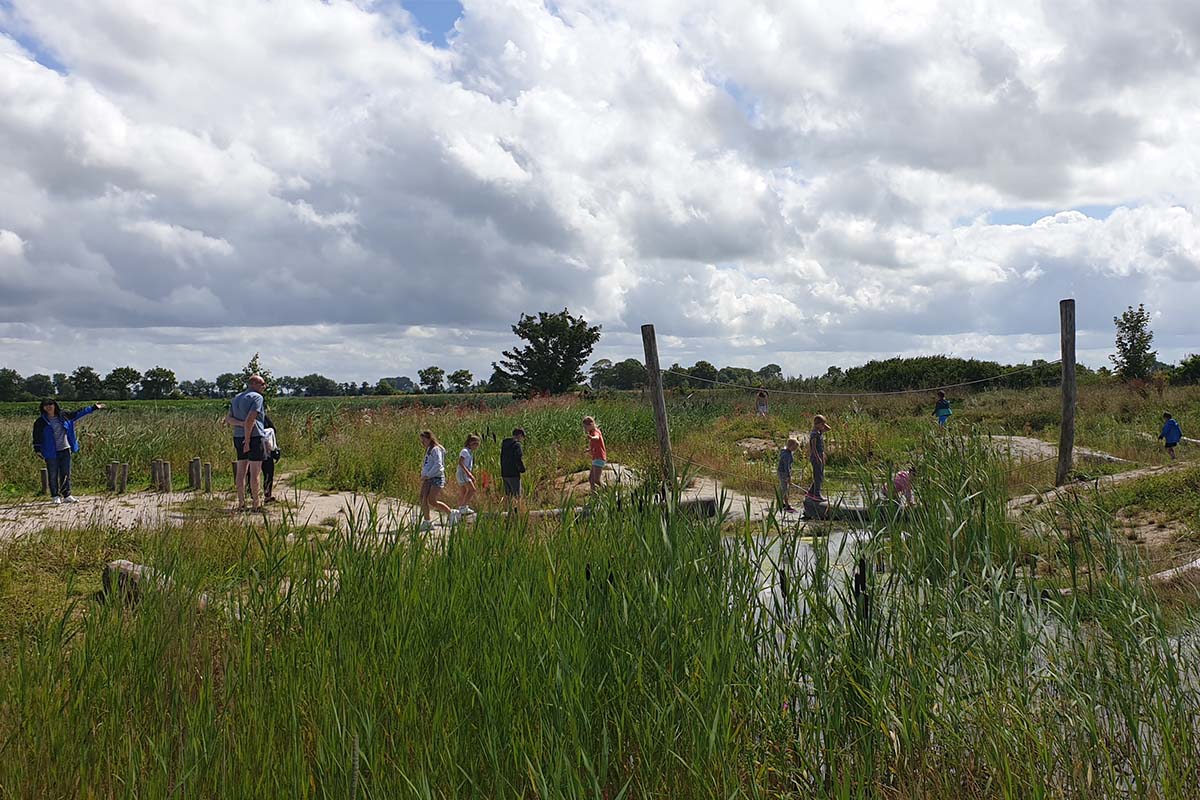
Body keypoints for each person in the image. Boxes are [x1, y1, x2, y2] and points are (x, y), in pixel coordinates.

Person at [32, 399, 106, 504]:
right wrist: (37, 449)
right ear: (43, 407)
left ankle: (66, 495)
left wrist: (93, 407)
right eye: (45, 405)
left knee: (66, 473)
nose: (48, 406)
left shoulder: (64, 416)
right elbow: (36, 436)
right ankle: (55, 496)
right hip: (50, 451)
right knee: (53, 474)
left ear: (55, 405)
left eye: (50, 404)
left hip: (65, 449)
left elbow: (78, 413)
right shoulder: (40, 422)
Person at [225, 404, 280, 502]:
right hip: (261, 449)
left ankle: (252, 495)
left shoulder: (243, 417)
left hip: (253, 449)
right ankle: (263, 495)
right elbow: (273, 430)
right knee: (264, 472)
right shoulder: (261, 418)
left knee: (252, 472)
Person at [230, 375, 267, 511]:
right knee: (255, 472)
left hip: (238, 436)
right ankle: (256, 504)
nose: (265, 386)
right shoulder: (257, 397)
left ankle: (241, 503)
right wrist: (248, 439)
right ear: (254, 384)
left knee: (240, 472)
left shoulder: (236, 398)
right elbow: (251, 419)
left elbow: (229, 418)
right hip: (254, 437)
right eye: (262, 384)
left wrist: (241, 424)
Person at [419, 430, 455, 530]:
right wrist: (423, 474)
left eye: (424, 440)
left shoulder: (436, 449)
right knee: (422, 497)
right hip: (428, 477)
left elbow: (438, 465)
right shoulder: (429, 449)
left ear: (429, 439)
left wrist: (428, 474)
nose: (422, 443)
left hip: (436, 477)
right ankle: (427, 521)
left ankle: (451, 514)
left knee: (432, 501)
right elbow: (427, 464)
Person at [806, 414, 831, 502]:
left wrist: (823, 423)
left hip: (820, 454)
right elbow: (813, 448)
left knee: (820, 474)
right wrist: (817, 458)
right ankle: (816, 494)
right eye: (822, 424)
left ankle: (811, 492)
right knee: (818, 476)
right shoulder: (814, 434)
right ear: (817, 424)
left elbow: (829, 429)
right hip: (816, 456)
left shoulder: (819, 432)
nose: (824, 426)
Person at [500, 428, 526, 506]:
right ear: (520, 435)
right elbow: (518, 458)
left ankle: (508, 512)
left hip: (505, 473)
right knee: (517, 496)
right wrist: (522, 469)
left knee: (509, 496)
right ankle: (518, 513)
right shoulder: (517, 445)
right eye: (522, 436)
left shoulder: (504, 444)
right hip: (514, 474)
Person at [456, 433, 481, 515]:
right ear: (471, 443)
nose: (476, 446)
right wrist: (469, 474)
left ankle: (462, 507)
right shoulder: (465, 451)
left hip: (465, 473)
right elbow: (460, 462)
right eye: (476, 444)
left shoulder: (470, 452)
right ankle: (463, 507)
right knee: (472, 489)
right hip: (463, 473)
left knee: (464, 491)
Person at [583, 416, 607, 493]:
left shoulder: (596, 432)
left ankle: (608, 490)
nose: (585, 429)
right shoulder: (592, 432)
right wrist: (589, 450)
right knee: (591, 479)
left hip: (599, 458)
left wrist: (591, 438)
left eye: (585, 427)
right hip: (595, 458)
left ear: (591, 425)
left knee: (596, 480)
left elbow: (596, 438)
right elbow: (595, 445)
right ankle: (594, 497)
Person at [777, 436, 800, 513]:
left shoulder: (784, 451)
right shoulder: (787, 455)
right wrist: (788, 477)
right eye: (794, 448)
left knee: (782, 488)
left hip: (780, 472)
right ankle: (785, 505)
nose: (795, 450)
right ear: (791, 446)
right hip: (783, 473)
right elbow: (786, 467)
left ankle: (782, 503)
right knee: (784, 488)